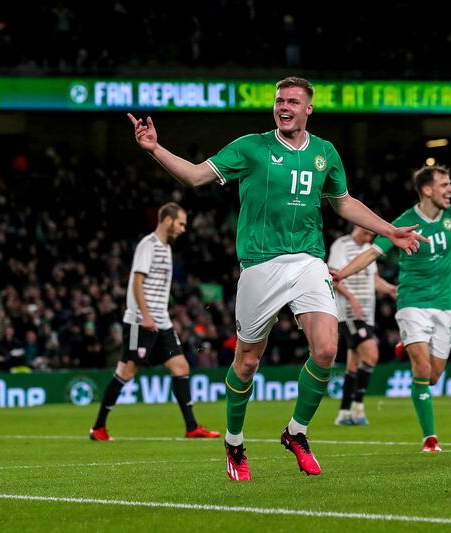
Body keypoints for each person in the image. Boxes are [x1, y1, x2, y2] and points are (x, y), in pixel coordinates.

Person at [127, 76, 424, 481]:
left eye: (293, 101)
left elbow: (344, 202)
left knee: (325, 350)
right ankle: (233, 440)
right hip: (260, 266)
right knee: (247, 362)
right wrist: (154, 148)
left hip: (308, 261)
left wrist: (390, 230)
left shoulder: (325, 153)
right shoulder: (252, 147)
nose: (284, 106)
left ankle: (296, 433)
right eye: (279, 100)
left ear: (308, 109)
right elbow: (195, 177)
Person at [332, 165, 451, 452]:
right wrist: (341, 274)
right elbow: (372, 253)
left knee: (433, 376)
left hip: (445, 306)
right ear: (427, 190)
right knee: (421, 368)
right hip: (412, 304)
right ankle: (429, 438)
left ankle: (407, 346)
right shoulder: (405, 222)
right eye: (444, 185)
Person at [90, 203, 220, 441]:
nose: (183, 229)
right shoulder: (147, 245)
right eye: (180, 223)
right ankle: (98, 428)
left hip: (161, 321)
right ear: (168, 220)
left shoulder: (166, 248)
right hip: (141, 321)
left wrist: (165, 315)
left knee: (181, 367)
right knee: (126, 371)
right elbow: (136, 282)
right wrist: (147, 316)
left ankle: (192, 427)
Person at [328, 226, 397, 426]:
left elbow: (374, 280)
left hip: (367, 314)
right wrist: (352, 299)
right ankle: (358, 407)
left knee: (354, 364)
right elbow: (334, 277)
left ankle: (343, 413)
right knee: (372, 354)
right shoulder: (341, 245)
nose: (370, 236)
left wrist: (390, 290)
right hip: (350, 315)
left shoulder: (369, 249)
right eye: (367, 232)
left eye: (371, 234)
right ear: (357, 227)